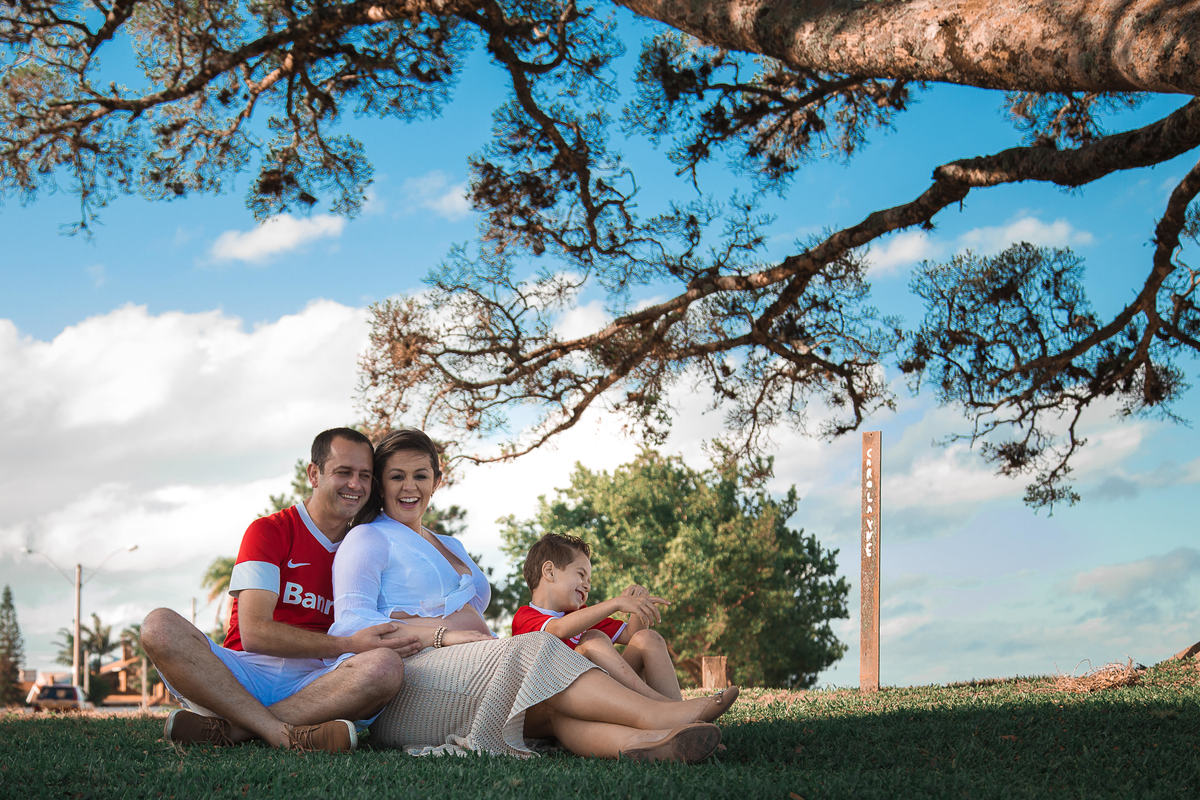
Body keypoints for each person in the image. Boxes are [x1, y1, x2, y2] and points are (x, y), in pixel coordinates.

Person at [327, 428, 739, 762]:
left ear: (437, 479)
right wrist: (443, 635)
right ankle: (663, 713)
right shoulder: (368, 537)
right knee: (540, 645)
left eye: (420, 475)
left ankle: (651, 743)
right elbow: (353, 624)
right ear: (380, 484)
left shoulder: (449, 544)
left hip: (475, 671)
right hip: (416, 684)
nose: (409, 487)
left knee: (552, 708)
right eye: (396, 476)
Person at [141, 428, 422, 753]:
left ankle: (234, 731)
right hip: (243, 674)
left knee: (385, 667)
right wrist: (348, 644)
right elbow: (254, 634)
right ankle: (284, 733)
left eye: (365, 476)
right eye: (343, 472)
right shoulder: (269, 530)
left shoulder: (367, 545)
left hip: (320, 683)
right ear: (314, 474)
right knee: (158, 625)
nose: (355, 485)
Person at [513, 532, 706, 703]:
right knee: (593, 639)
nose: (587, 586)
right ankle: (661, 704)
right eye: (581, 574)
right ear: (549, 571)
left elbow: (632, 636)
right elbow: (559, 629)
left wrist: (637, 605)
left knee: (647, 639)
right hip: (565, 699)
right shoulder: (525, 617)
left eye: (589, 581)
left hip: (605, 691)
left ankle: (680, 713)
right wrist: (615, 603)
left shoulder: (582, 615)